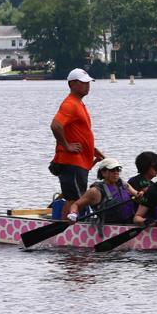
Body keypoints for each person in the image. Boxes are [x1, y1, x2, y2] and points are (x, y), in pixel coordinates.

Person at [49, 68, 105, 219]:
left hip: (81, 162)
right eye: (84, 83)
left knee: (77, 197)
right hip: (71, 161)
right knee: (73, 198)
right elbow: (55, 125)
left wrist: (92, 150)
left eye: (89, 83)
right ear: (73, 84)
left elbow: (78, 132)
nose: (88, 86)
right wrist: (67, 146)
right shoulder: (70, 104)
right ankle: (63, 231)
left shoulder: (78, 103)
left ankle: (71, 228)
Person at [67, 157, 138, 224]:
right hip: (109, 228)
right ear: (103, 172)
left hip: (129, 223)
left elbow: (137, 194)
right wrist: (73, 214)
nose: (116, 172)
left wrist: (141, 194)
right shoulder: (95, 191)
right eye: (112, 170)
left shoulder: (123, 184)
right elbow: (76, 205)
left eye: (118, 169)